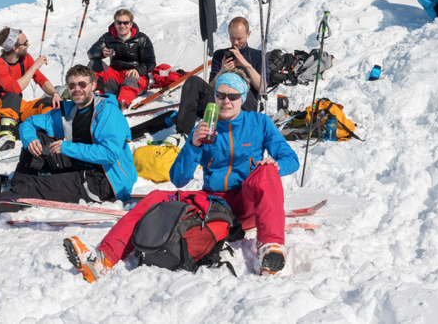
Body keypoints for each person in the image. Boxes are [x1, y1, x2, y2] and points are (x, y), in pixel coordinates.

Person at [63, 67, 300, 281]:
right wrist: (193, 145)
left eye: (233, 96)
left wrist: (275, 164)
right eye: (220, 95)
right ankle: (103, 258)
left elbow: (291, 159)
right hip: (215, 203)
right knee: (156, 197)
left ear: (243, 97)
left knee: (266, 170)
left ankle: (270, 248)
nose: (226, 101)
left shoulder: (259, 123)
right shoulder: (205, 127)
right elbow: (178, 178)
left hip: (247, 201)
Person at [0, 65, 138, 230]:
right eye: (72, 85)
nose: (77, 89)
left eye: (82, 84)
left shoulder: (108, 113)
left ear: (93, 85)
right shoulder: (70, 111)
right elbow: (28, 124)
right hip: (80, 164)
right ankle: (19, 185)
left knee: (32, 188)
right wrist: (31, 139)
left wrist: (68, 148)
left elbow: (110, 154)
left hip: (104, 180)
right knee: (39, 138)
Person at [130, 17, 263, 140]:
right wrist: (222, 71)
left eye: (239, 38)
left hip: (245, 106)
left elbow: (262, 88)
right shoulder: (220, 55)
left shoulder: (258, 56)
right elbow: (210, 88)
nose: (235, 42)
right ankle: (183, 134)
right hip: (221, 101)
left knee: (240, 85)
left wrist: (246, 65)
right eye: (232, 38)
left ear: (248, 34)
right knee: (193, 81)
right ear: (228, 33)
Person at [0, 27, 61, 151]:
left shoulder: (25, 59)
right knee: (12, 96)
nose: (28, 45)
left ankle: (44, 129)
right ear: (14, 48)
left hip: (18, 106)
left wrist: (54, 93)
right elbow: (14, 89)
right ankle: (4, 133)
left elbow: (41, 80)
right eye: (25, 43)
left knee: (49, 103)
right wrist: (33, 68)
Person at [86, 9, 156, 110]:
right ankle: (96, 95)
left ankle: (120, 104)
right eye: (119, 23)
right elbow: (91, 53)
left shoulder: (142, 38)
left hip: (137, 78)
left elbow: (151, 62)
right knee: (94, 63)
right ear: (115, 24)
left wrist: (138, 69)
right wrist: (101, 53)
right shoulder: (107, 37)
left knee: (131, 76)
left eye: (125, 23)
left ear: (131, 24)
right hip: (116, 77)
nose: (122, 26)